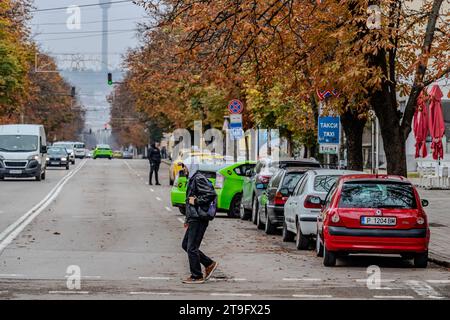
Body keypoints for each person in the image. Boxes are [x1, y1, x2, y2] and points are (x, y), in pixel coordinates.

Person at [181, 163, 218, 284]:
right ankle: (209, 264)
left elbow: (210, 194)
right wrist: (187, 219)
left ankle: (197, 276)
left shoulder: (198, 178)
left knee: (191, 247)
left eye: (184, 166)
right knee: (186, 244)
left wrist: (196, 201)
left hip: (199, 218)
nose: (183, 169)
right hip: (194, 217)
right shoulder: (192, 179)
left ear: (190, 166)